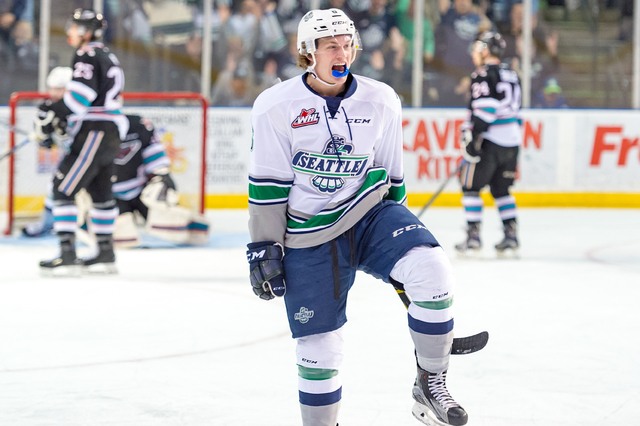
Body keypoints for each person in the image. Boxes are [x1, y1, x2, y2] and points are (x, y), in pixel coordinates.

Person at [247, 8, 468, 426]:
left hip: (368, 215)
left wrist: (404, 250)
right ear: (307, 52)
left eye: (347, 43)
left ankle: (430, 384)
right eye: (331, 44)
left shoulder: (381, 99)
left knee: (431, 270)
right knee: (320, 349)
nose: (342, 51)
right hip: (307, 234)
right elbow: (269, 185)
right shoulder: (275, 107)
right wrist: (264, 246)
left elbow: (393, 177)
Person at [33, 8, 127, 275]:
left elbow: (79, 98)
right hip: (109, 130)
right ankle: (105, 254)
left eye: (74, 27)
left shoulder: (87, 54)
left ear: (86, 31)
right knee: (100, 193)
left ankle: (67, 254)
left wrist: (53, 112)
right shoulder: (107, 54)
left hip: (95, 130)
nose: (69, 33)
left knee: (62, 188)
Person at [455, 31, 522, 256]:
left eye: (476, 48)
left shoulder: (483, 74)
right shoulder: (512, 73)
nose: (474, 53)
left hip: (490, 141)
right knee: (502, 189)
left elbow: (486, 110)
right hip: (512, 141)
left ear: (485, 50)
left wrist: (473, 139)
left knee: (470, 187)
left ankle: (473, 236)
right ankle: (511, 235)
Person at [22, 66, 74, 238]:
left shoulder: (81, 107)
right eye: (52, 88)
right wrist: (42, 133)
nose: (54, 93)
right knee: (56, 188)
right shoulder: (48, 107)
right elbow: (46, 143)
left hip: (87, 156)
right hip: (70, 157)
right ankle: (50, 223)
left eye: (59, 89)